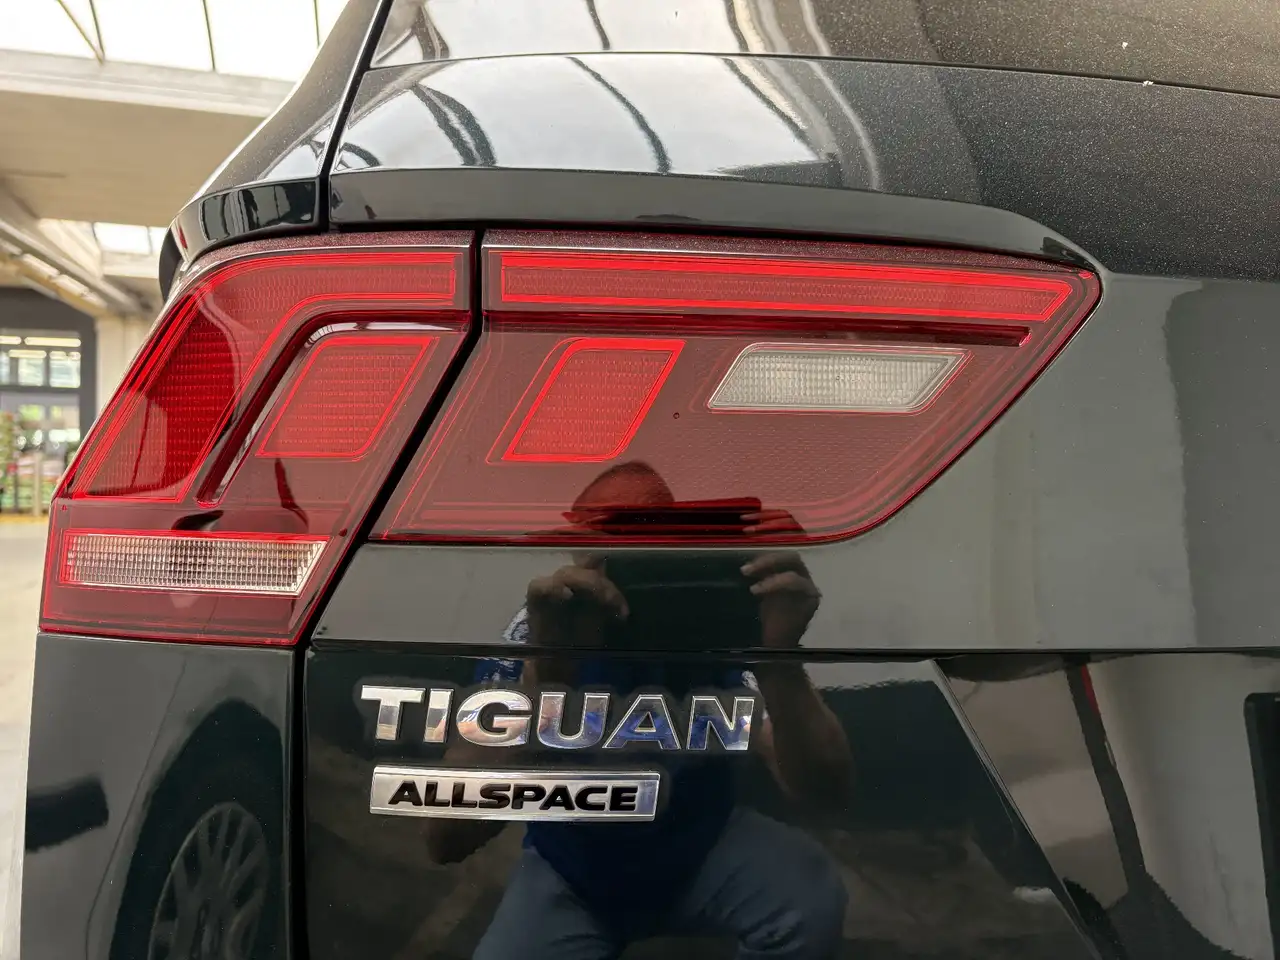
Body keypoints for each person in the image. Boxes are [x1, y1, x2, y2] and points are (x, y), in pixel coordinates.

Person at [426, 463, 855, 959]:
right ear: (580, 555)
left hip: (698, 848)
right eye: (618, 553)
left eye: (652, 552)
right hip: (572, 868)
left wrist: (778, 659)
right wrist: (547, 674)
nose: (636, 574)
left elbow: (824, 791)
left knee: (811, 895)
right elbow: (445, 837)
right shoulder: (542, 630)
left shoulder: (715, 629)